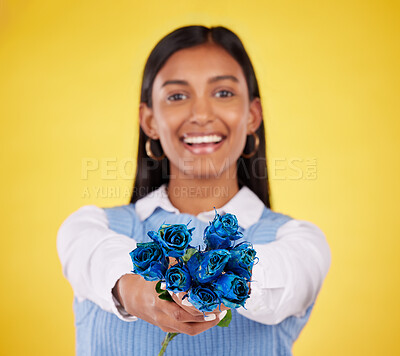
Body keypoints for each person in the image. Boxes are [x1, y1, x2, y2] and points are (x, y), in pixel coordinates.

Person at [57, 25, 331, 356]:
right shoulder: (89, 227)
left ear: (252, 116)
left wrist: (195, 279)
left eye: (224, 93)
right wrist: (136, 290)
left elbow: (282, 279)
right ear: (150, 121)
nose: (201, 115)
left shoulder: (300, 242)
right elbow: (97, 257)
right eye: (177, 96)